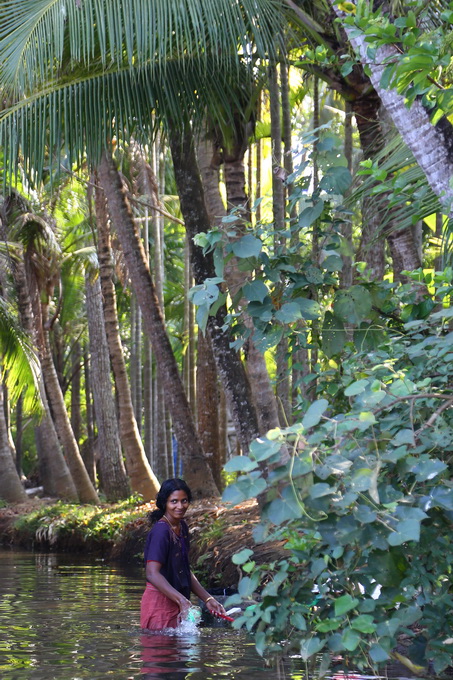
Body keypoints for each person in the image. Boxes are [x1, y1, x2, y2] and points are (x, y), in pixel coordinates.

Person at [140, 478, 226, 630]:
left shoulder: (182, 527)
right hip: (160, 604)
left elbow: (184, 570)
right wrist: (181, 600)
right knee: (160, 651)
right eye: (174, 501)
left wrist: (208, 598)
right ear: (164, 503)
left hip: (179, 601)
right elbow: (152, 574)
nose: (180, 506)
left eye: (184, 501)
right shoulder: (161, 531)